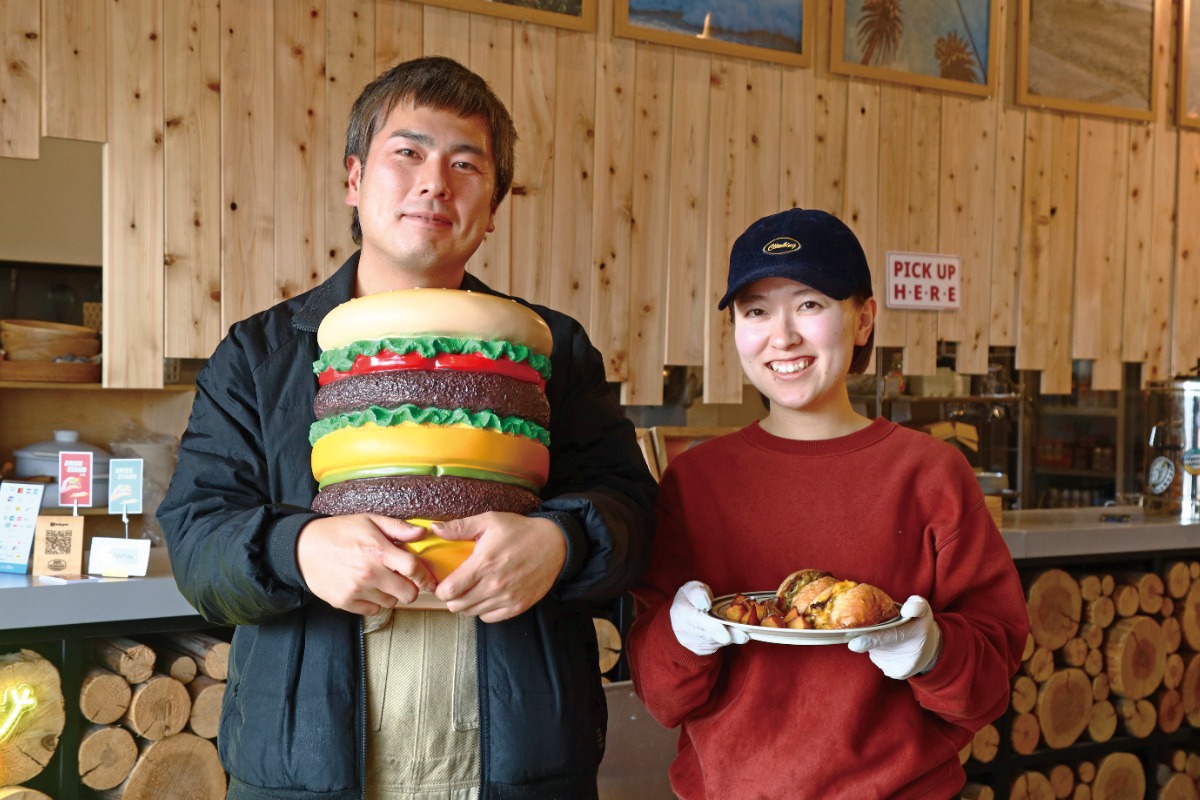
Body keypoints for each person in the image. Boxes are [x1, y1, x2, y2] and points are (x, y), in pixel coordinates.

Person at [158, 56, 657, 800]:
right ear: (354, 179)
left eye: (466, 165)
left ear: (492, 207)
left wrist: (563, 540)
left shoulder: (554, 351)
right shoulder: (260, 356)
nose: (435, 182)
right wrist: (297, 547)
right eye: (409, 153)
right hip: (307, 769)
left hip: (521, 766)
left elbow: (635, 513)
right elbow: (197, 542)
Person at [626, 208, 1028, 799]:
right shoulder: (696, 481)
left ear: (864, 319)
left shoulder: (930, 473)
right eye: (756, 310)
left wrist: (933, 650)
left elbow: (991, 682)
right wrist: (682, 638)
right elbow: (661, 696)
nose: (782, 335)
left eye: (809, 304)